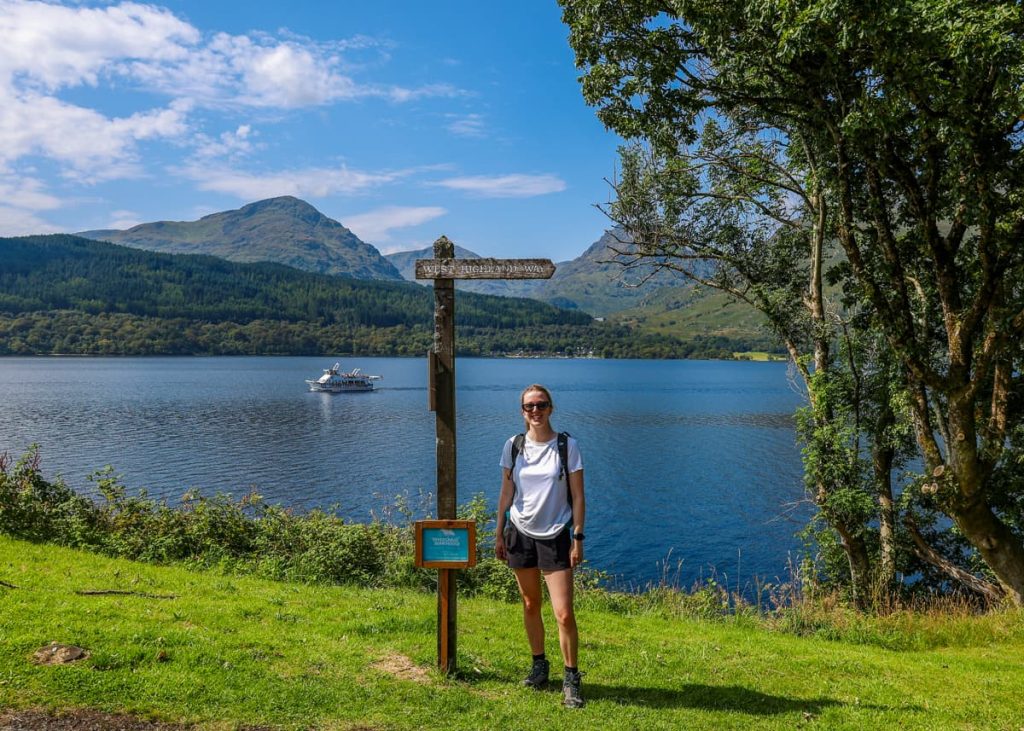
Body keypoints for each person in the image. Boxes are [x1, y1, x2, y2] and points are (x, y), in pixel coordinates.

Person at [495, 384, 586, 709]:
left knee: (563, 613)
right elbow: (506, 494)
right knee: (531, 604)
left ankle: (571, 678)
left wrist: (577, 537)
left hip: (557, 534)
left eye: (541, 405)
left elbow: (578, 496)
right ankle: (539, 666)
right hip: (519, 532)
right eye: (530, 406)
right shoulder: (513, 446)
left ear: (551, 408)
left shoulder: (567, 446)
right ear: (522, 411)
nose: (536, 411)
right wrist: (498, 533)